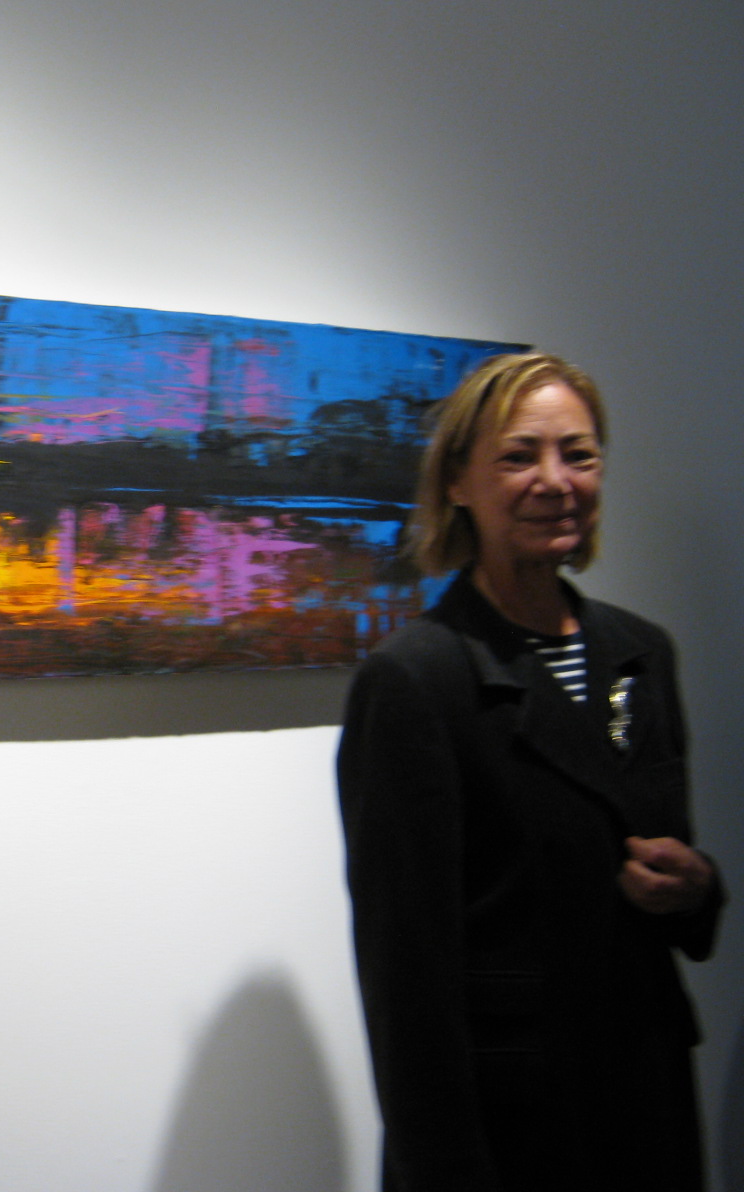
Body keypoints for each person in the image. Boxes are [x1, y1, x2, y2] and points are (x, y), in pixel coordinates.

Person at [337, 352, 723, 1192]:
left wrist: (698, 888)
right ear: (458, 484)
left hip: (646, 1098)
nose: (555, 481)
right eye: (519, 457)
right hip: (516, 1129)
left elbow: (667, 869)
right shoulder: (416, 681)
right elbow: (406, 978)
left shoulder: (641, 653)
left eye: (578, 454)